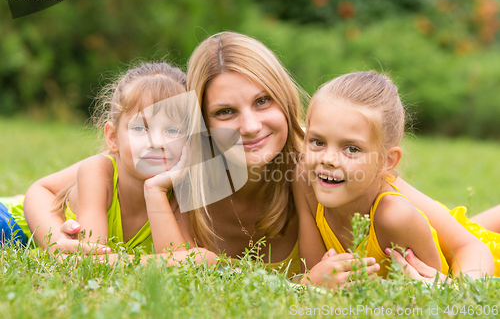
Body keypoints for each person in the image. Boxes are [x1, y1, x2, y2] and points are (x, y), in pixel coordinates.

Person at [22, 32, 493, 285]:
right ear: (198, 123)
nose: (250, 125)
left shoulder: (321, 161)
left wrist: (462, 289)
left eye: (264, 101)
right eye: (225, 112)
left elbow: (463, 247)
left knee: (479, 228)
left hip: (434, 243)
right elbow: (45, 189)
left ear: (286, 101)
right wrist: (55, 240)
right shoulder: (181, 169)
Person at [2, 62, 210, 259]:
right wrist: (55, 239)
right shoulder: (98, 171)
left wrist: (156, 189)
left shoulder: (183, 192)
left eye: (173, 130)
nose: (156, 142)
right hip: (12, 222)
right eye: (140, 128)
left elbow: (179, 261)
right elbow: (92, 258)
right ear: (112, 137)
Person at [297, 71, 449, 279]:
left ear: (387, 161)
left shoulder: (396, 217)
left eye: (351, 149)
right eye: (318, 142)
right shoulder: (306, 184)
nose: (328, 159)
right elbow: (312, 275)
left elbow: (436, 295)